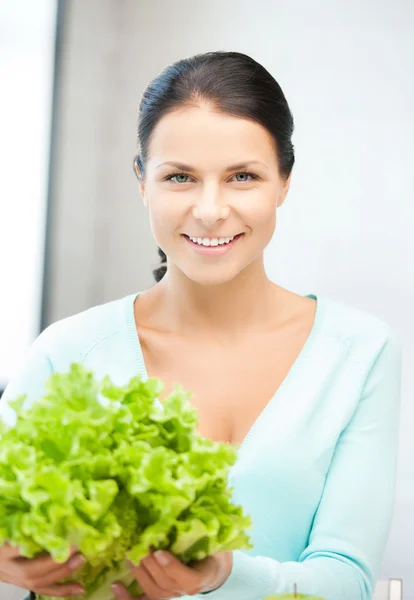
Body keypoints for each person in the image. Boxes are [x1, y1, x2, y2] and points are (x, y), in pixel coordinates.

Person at [0, 51, 402, 600]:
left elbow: (348, 580)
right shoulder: (67, 353)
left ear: (284, 182)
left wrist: (225, 575)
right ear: (142, 181)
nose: (211, 210)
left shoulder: (359, 353)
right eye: (180, 177)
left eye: (243, 176)